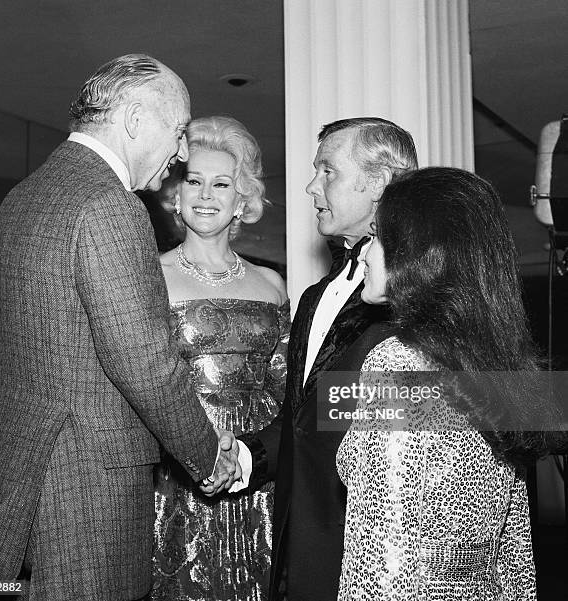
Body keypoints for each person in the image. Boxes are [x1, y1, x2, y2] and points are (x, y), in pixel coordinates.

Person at [0, 54, 240, 600]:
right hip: (87, 490)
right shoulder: (111, 206)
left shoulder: (23, 197)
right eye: (178, 132)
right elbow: (144, 361)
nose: (181, 153)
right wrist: (208, 455)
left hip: (13, 483)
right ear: (135, 120)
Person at [337, 167, 542, 599]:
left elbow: (382, 552)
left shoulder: (398, 362)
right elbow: (515, 546)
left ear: (417, 253)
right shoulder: (502, 363)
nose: (363, 254)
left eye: (376, 236)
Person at [237, 118, 418, 601]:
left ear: (379, 181)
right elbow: (307, 418)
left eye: (327, 171)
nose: (310, 186)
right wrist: (245, 456)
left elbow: (499, 402)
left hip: (380, 556)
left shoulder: (423, 295)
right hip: (298, 548)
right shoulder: (317, 296)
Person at [151, 116, 289, 601]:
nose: (206, 194)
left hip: (258, 467)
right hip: (177, 465)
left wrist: (254, 455)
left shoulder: (272, 284)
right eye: (194, 181)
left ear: (242, 200)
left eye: (221, 184)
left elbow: (286, 389)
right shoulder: (149, 277)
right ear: (177, 193)